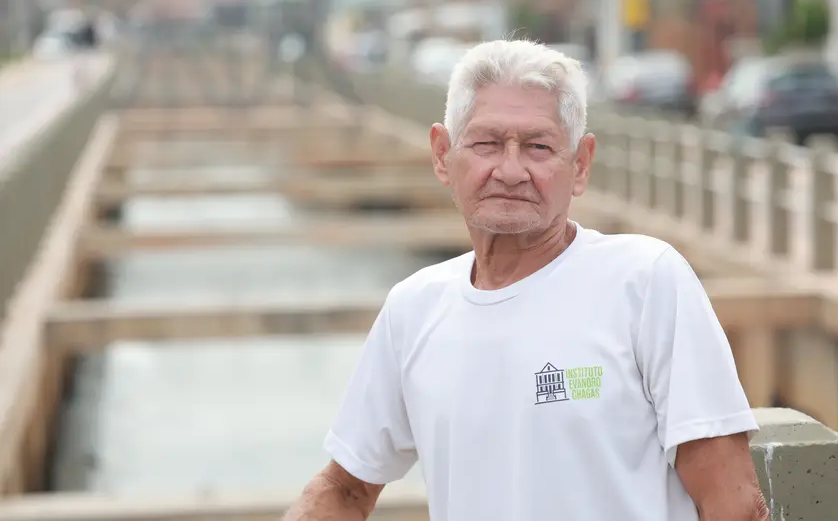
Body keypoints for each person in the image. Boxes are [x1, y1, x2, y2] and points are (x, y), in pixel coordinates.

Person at [283, 40, 769, 521]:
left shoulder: (646, 282)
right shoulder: (412, 310)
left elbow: (735, 504)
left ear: (580, 164)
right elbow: (345, 490)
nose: (511, 170)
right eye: (487, 144)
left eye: (538, 147)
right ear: (442, 155)